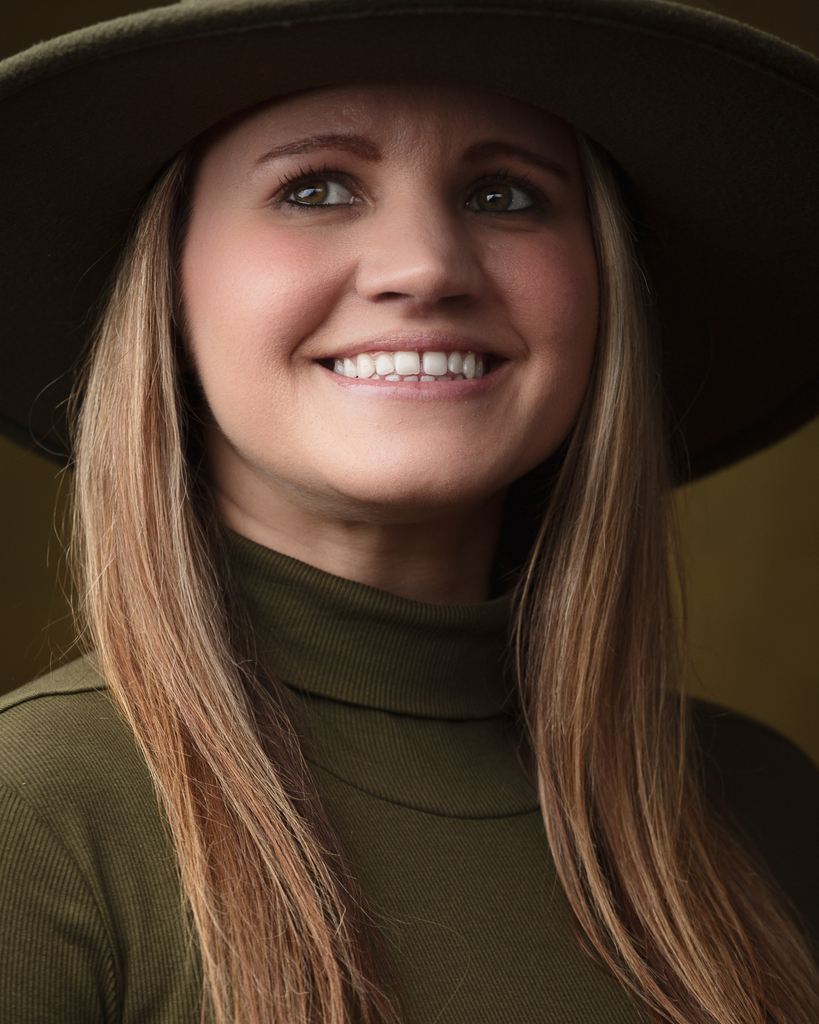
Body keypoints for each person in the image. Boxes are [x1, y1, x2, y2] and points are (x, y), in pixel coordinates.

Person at [0, 1, 818, 1022]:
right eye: (315, 188)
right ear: (165, 284)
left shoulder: (769, 809)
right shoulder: (31, 816)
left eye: (505, 193)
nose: (428, 265)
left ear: (606, 288)